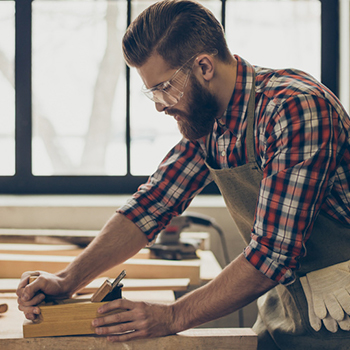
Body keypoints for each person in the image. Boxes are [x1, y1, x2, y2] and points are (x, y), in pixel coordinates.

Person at [17, 0, 350, 348]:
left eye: (164, 88)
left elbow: (271, 253)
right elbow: (153, 203)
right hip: (289, 305)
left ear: (204, 66)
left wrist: (172, 316)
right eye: (152, 93)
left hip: (342, 312)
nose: (160, 105)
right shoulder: (209, 121)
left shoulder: (295, 108)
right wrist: (67, 279)